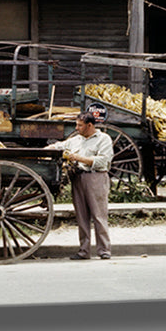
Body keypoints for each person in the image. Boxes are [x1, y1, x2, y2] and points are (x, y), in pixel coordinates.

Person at [50, 109, 115, 259]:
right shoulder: (75, 140)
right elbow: (61, 146)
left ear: (90, 125)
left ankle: (104, 250)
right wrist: (49, 149)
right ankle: (84, 251)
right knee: (81, 217)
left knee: (99, 216)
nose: (76, 128)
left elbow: (103, 161)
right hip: (78, 178)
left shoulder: (103, 139)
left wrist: (79, 158)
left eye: (80, 125)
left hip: (96, 178)